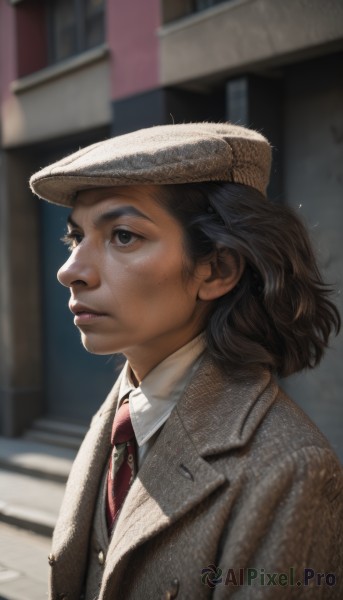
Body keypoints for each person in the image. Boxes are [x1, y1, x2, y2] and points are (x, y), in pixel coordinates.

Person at [30, 123, 343, 600]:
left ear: (216, 268)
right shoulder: (121, 414)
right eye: (75, 237)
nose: (70, 270)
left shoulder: (292, 469)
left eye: (123, 235)